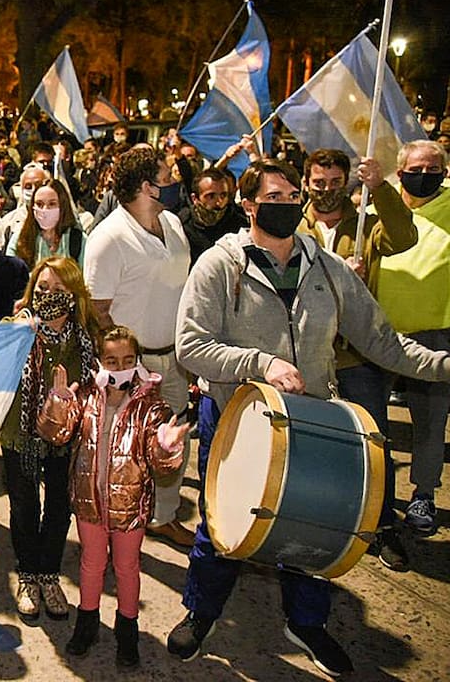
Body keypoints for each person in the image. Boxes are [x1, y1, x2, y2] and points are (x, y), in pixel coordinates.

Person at [170, 159, 450, 676]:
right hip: (236, 416)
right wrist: (260, 362)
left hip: (312, 420)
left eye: (293, 194)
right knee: (222, 525)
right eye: (274, 196)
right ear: (249, 204)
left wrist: (442, 366)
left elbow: (383, 343)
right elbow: (190, 346)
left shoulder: (329, 269)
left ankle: (306, 624)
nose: (289, 202)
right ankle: (201, 613)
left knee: (316, 526)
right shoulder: (219, 265)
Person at [296, 148, 417, 568]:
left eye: (334, 183)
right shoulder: (294, 224)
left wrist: (380, 189)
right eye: (318, 183)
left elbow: (404, 237)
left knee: (373, 441)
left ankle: (383, 527)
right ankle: (321, 520)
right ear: (306, 181)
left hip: (357, 356)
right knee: (314, 444)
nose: (326, 191)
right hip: (310, 354)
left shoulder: (364, 221)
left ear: (346, 181)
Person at [40, 326, 188, 667]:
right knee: (91, 564)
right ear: (99, 361)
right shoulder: (88, 398)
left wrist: (166, 447)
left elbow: (159, 461)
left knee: (127, 567)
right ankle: (87, 623)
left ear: (137, 361)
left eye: (127, 360)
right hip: (89, 503)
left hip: (130, 507)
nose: (119, 366)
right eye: (111, 360)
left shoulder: (152, 408)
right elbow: (58, 435)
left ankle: (127, 631)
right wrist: (58, 406)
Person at [83, 146, 193, 549]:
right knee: (124, 449)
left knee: (172, 440)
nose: (176, 181)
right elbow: (97, 309)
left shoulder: (173, 225)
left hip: (176, 356)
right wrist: (127, 365)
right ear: (148, 186)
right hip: (133, 363)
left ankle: (163, 516)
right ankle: (116, 524)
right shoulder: (108, 237)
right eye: (169, 174)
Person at [0, 257, 99, 625]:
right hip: (19, 434)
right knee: (24, 506)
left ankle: (49, 574)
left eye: (59, 290)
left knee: (59, 507)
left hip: (67, 438)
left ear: (74, 295)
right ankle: (27, 575)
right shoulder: (16, 328)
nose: (49, 296)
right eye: (42, 289)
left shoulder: (85, 337)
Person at [376, 139, 450, 537]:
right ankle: (372, 496)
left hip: (436, 336)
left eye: (433, 169)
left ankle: (424, 494)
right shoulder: (376, 209)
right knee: (370, 421)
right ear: (399, 171)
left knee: (430, 423)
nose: (424, 176)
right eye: (416, 169)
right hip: (377, 336)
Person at [8, 178, 86, 268]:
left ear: (63, 206)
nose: (45, 209)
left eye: (52, 204)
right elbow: (10, 276)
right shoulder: (20, 239)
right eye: (39, 204)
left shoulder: (78, 240)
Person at [179, 166, 246, 266]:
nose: (219, 202)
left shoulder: (239, 225)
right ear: (195, 198)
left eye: (223, 195)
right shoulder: (181, 225)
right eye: (211, 196)